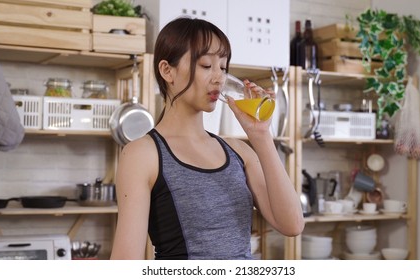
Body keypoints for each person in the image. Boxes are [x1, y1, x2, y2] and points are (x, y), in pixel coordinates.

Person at [110, 17, 304, 260]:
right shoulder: (142, 154)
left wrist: (261, 136)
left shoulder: (238, 151)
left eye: (223, 67)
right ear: (167, 70)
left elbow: (293, 225)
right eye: (205, 65)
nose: (219, 78)